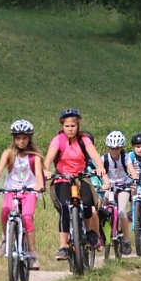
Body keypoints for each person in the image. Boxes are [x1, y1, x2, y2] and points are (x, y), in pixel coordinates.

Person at [43, 109, 110, 261]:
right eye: (67, 126)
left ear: (78, 126)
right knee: (66, 208)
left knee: (87, 204)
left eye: (73, 125)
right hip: (62, 179)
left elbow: (94, 156)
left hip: (81, 177)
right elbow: (48, 159)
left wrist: (101, 171)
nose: (70, 129)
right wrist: (46, 171)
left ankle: (88, 233)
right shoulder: (57, 140)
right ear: (62, 126)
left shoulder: (84, 140)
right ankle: (63, 247)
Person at [0, 119, 45, 270]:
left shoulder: (34, 156)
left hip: (29, 191)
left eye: (24, 138)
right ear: (14, 138)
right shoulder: (9, 154)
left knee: (27, 217)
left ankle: (32, 255)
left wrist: (39, 185)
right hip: (11, 189)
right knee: (5, 211)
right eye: (18, 138)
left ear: (29, 138)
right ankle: (6, 238)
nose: (21, 141)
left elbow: (38, 173)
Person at [101, 131, 137, 255]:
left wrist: (134, 180)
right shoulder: (104, 159)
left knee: (121, 211)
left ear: (121, 148)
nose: (114, 151)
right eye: (111, 148)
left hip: (124, 186)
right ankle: (102, 234)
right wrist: (104, 183)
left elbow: (131, 169)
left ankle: (126, 240)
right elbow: (102, 173)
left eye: (117, 148)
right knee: (102, 207)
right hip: (110, 187)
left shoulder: (125, 157)